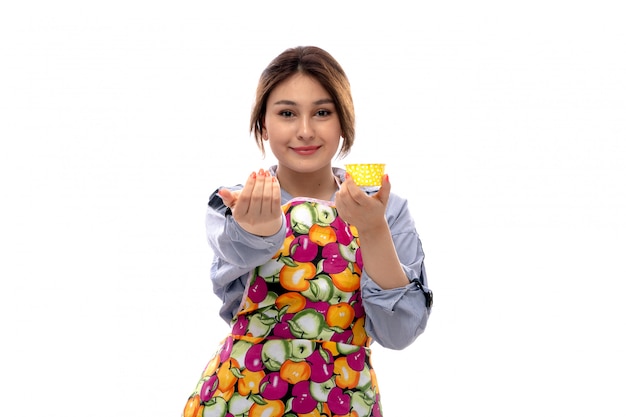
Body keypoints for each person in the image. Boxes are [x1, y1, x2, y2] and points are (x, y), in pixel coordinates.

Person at [182, 45, 433, 417]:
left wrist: (373, 229)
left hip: (344, 399)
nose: (304, 131)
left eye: (322, 112)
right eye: (286, 113)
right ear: (263, 125)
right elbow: (235, 261)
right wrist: (260, 230)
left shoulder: (381, 203)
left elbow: (399, 333)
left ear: (343, 122)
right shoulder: (239, 199)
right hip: (242, 395)